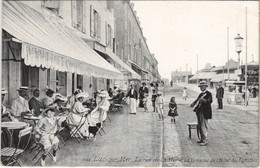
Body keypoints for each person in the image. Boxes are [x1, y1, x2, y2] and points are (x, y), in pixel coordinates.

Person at [190, 81, 212, 146]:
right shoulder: (200, 94)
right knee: (199, 125)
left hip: (205, 112)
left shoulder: (208, 94)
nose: (201, 88)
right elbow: (197, 100)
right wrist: (193, 103)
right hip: (199, 111)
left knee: (204, 126)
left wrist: (204, 100)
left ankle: (205, 140)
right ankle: (202, 139)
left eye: (202, 87)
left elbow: (210, 101)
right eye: (200, 87)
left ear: (205, 87)